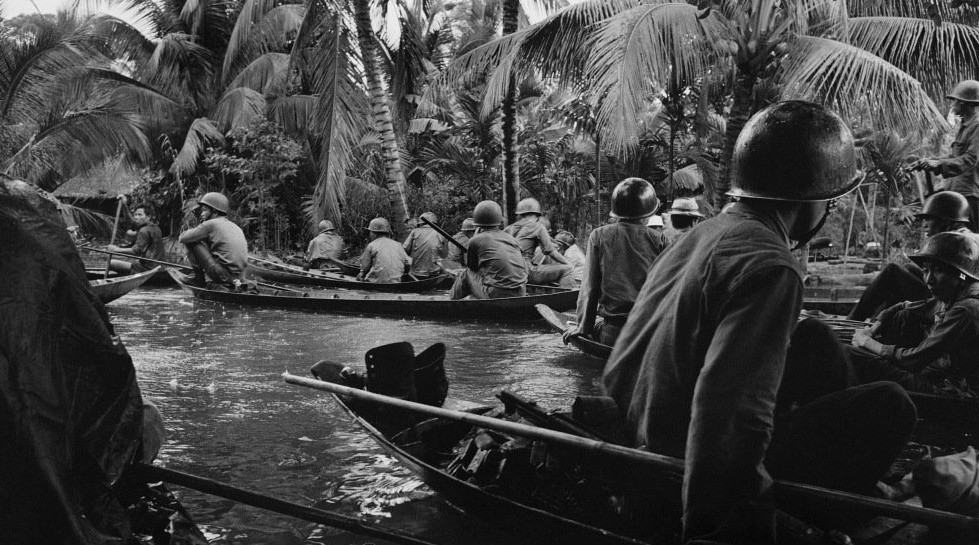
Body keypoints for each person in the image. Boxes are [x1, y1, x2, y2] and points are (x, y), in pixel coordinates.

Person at [602, 101, 915, 544]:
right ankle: (831, 506)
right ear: (813, 201)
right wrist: (721, 527)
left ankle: (849, 485)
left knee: (815, 337)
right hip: (675, 465)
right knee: (892, 403)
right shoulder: (771, 264)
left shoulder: (698, 235)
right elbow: (729, 414)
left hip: (635, 435)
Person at [851, 231, 979, 395]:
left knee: (853, 356)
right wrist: (874, 327)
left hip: (952, 392)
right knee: (904, 316)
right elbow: (907, 306)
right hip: (935, 374)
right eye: (926, 270)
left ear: (961, 275)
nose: (929, 280)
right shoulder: (953, 294)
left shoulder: (965, 311)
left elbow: (912, 360)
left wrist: (867, 342)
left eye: (938, 270)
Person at [563, 178, 666, 346]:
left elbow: (589, 287)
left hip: (614, 333)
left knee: (595, 327)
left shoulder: (598, 236)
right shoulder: (660, 239)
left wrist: (583, 327)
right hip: (651, 334)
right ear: (649, 213)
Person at [848, 190, 972, 320]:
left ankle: (854, 319)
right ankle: (886, 321)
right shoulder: (961, 235)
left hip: (946, 300)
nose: (924, 225)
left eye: (929, 219)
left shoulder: (956, 241)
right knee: (908, 268)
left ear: (945, 221)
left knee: (892, 272)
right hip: (949, 293)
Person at [911, 80, 979, 232]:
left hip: (969, 195)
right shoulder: (964, 126)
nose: (953, 104)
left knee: (970, 240)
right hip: (955, 193)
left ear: (963, 103)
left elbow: (971, 159)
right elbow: (954, 156)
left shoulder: (977, 126)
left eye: (955, 100)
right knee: (951, 239)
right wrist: (930, 161)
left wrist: (939, 165)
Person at [450, 200, 528, 300]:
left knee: (466, 273)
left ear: (476, 223)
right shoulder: (511, 238)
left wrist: (475, 235)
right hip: (521, 292)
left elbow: (472, 268)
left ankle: (451, 301)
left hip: (496, 295)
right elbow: (525, 269)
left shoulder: (475, 240)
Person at [177, 192, 248, 288]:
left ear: (214, 212)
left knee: (190, 241)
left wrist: (190, 229)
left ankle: (198, 279)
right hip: (240, 277)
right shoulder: (235, 226)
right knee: (202, 240)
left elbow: (182, 238)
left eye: (204, 210)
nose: (202, 214)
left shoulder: (211, 224)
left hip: (222, 276)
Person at [504, 197, 575, 288]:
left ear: (520, 214)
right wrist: (568, 264)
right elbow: (551, 252)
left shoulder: (509, 228)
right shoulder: (538, 226)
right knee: (568, 269)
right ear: (537, 216)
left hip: (507, 272)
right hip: (525, 272)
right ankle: (566, 296)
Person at [106, 202, 165, 274]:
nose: (136, 217)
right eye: (135, 215)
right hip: (160, 266)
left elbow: (136, 251)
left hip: (147, 268)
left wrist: (116, 249)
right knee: (135, 262)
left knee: (111, 263)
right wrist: (124, 205)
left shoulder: (143, 231)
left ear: (148, 217)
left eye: (140, 215)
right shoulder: (156, 227)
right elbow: (131, 221)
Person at [357, 217, 410, 283]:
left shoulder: (371, 245)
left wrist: (361, 274)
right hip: (396, 283)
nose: (370, 234)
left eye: (370, 232)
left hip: (376, 283)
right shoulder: (398, 245)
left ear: (374, 233)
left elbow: (365, 268)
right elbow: (408, 264)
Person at [403, 211, 447, 278]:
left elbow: (405, 250)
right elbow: (444, 255)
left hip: (416, 273)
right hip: (434, 273)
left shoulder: (415, 232)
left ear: (420, 223)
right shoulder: (441, 234)